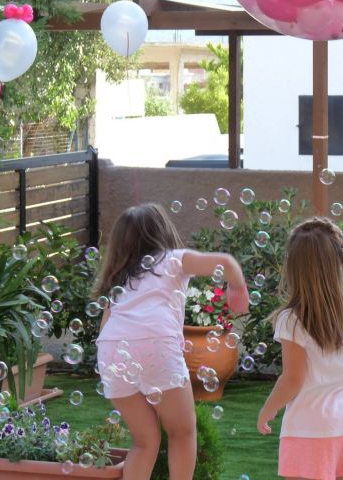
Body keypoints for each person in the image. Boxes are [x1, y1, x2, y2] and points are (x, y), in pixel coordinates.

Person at [94, 203, 249, 480]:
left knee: (144, 441)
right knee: (182, 432)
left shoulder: (118, 278)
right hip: (156, 343)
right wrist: (238, 289)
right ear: (163, 231)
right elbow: (226, 263)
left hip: (111, 351)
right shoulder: (173, 259)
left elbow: (106, 328)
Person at [257, 217, 343, 480]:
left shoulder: (292, 320)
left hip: (309, 428)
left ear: (294, 269)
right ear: (340, 263)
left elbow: (292, 379)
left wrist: (269, 408)